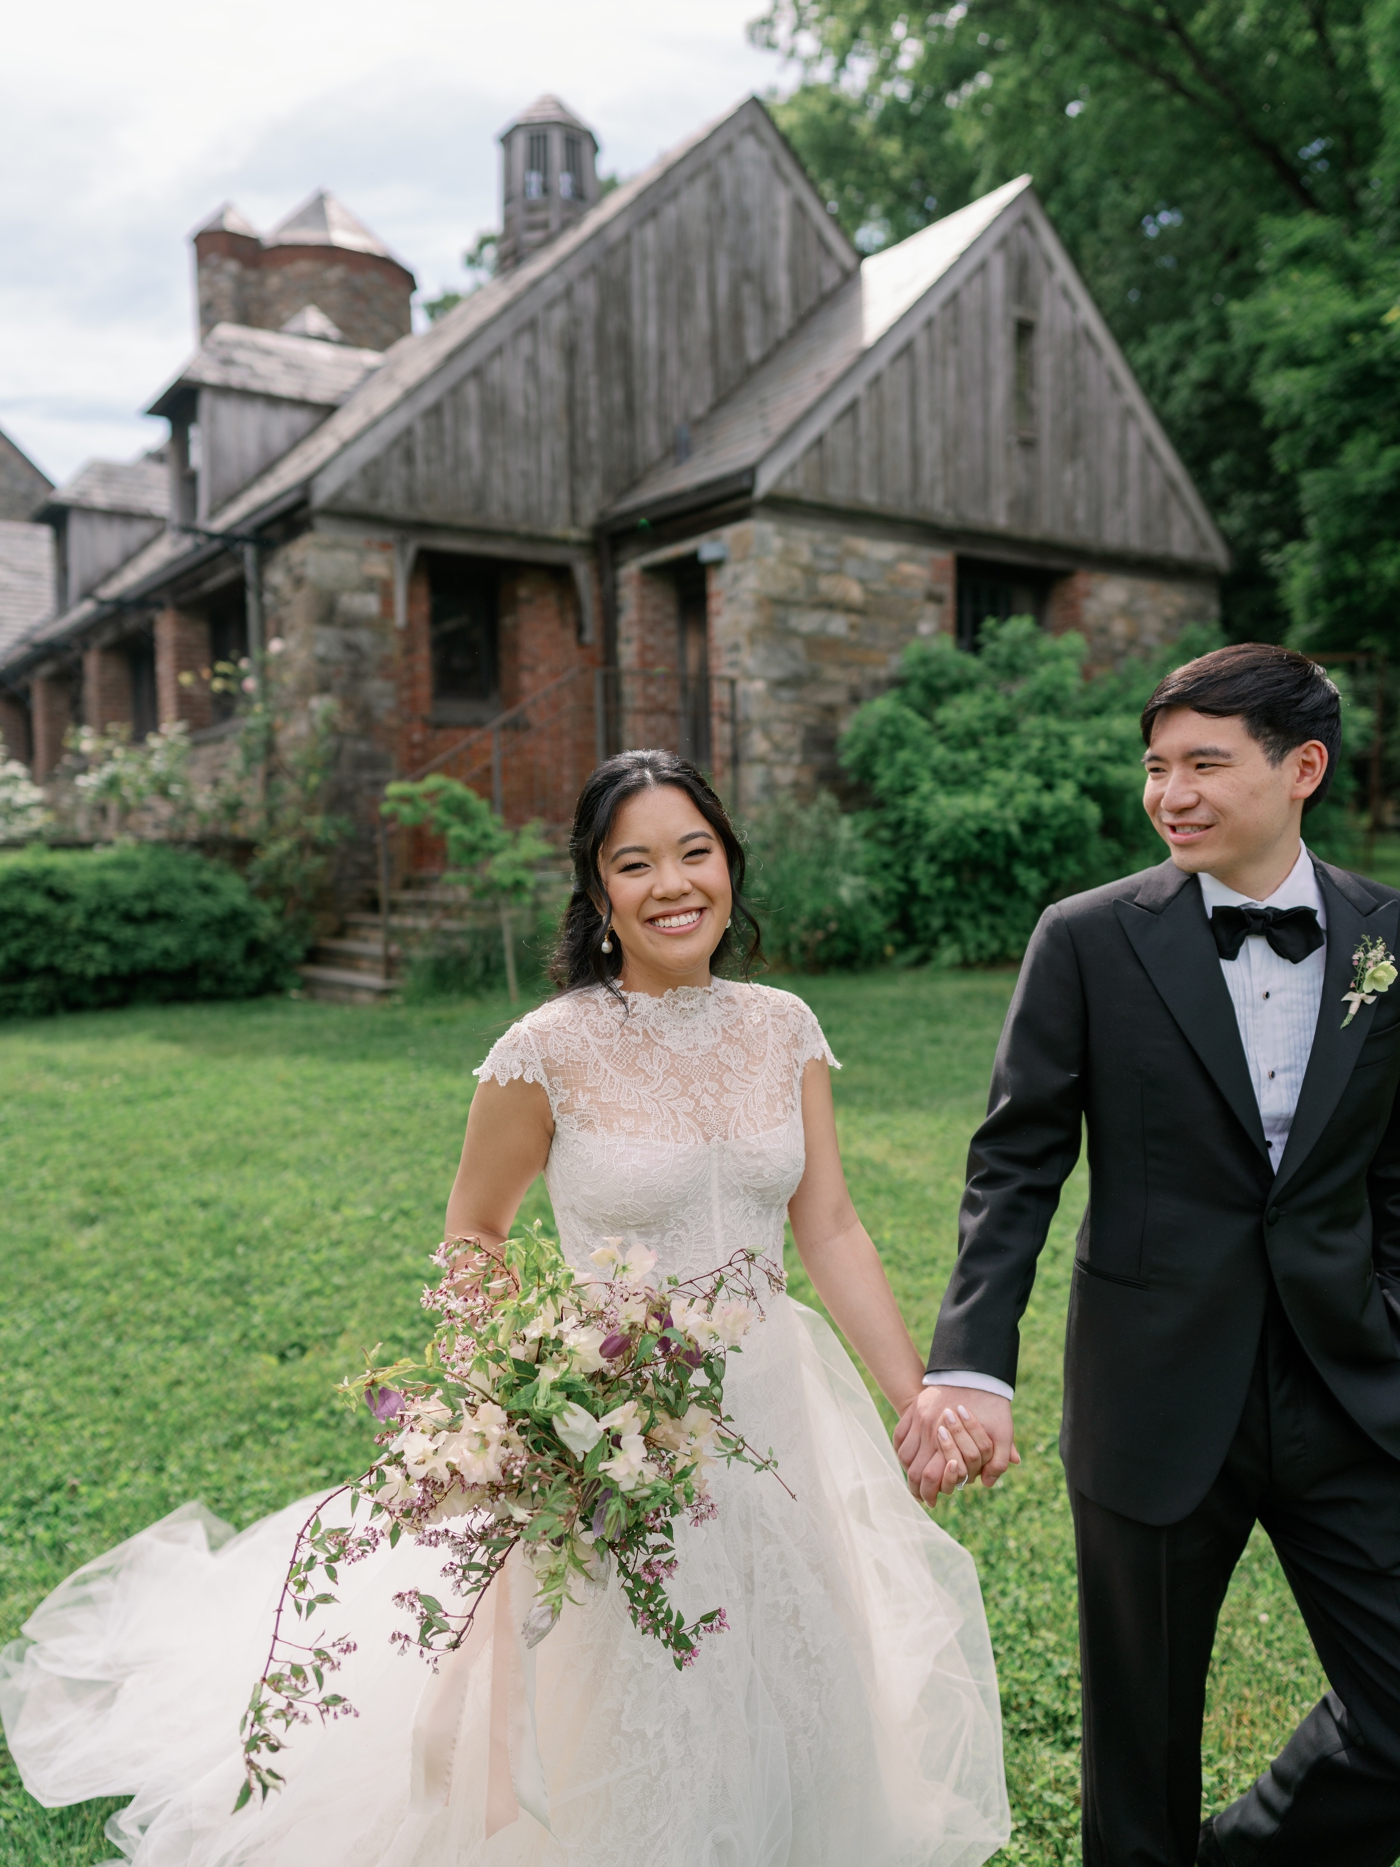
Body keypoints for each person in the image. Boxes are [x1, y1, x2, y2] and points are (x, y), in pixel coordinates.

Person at [1, 748, 1009, 1867]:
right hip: (612, 1420)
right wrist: (517, 1399)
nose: (672, 884)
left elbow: (827, 1225)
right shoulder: (546, 1050)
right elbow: (473, 1231)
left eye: (695, 852)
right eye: (636, 864)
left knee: (790, 1653)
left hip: (773, 1401)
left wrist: (912, 1392)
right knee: (627, 1676)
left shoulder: (784, 1026)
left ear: (729, 864)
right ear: (597, 895)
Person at [896, 642, 1400, 1867]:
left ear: (1302, 770)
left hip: (1349, 1385)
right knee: (1138, 1752)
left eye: (1203, 764)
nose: (1168, 792)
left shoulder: (1389, 937)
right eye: (1154, 766)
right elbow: (1015, 1163)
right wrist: (971, 1362)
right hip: (1153, 1388)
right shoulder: (1085, 938)